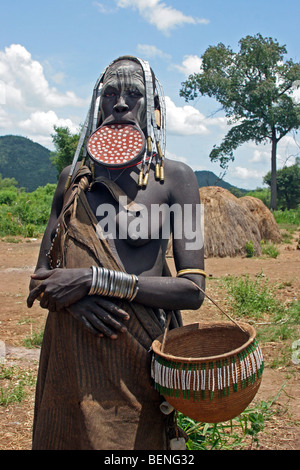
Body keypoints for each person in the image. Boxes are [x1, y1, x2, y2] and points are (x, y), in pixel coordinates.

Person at [27, 56, 205, 450]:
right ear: (98, 105)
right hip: (71, 360)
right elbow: (39, 278)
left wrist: (94, 281)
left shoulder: (177, 179)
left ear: (153, 108)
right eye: (110, 93)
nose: (121, 103)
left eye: (134, 94)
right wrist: (76, 303)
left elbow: (193, 290)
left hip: (136, 362)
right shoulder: (72, 180)